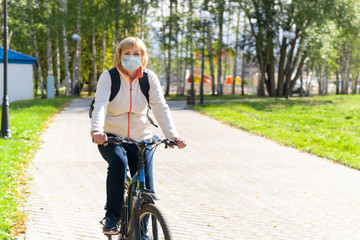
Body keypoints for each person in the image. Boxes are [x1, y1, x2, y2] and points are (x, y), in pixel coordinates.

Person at [91, 37, 186, 235]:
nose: (131, 57)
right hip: (111, 136)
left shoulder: (149, 78)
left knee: (147, 190)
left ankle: (141, 233)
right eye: (127, 53)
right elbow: (100, 104)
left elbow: (160, 107)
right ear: (119, 56)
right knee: (118, 163)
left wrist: (172, 135)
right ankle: (112, 218)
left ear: (143, 57)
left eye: (136, 53)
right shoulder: (109, 77)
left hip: (141, 137)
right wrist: (97, 131)